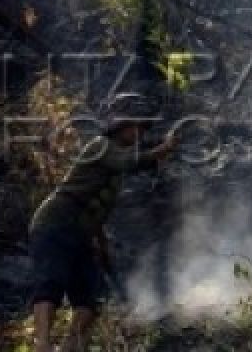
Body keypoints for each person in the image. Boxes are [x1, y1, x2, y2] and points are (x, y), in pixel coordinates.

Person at [28, 106, 179, 352]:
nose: (138, 133)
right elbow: (130, 162)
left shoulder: (115, 170)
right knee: (50, 284)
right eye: (135, 126)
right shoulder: (101, 146)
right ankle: (42, 345)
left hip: (82, 234)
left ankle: (69, 347)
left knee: (89, 300)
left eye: (142, 128)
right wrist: (162, 150)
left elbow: (98, 211)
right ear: (120, 125)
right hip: (54, 223)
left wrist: (102, 245)